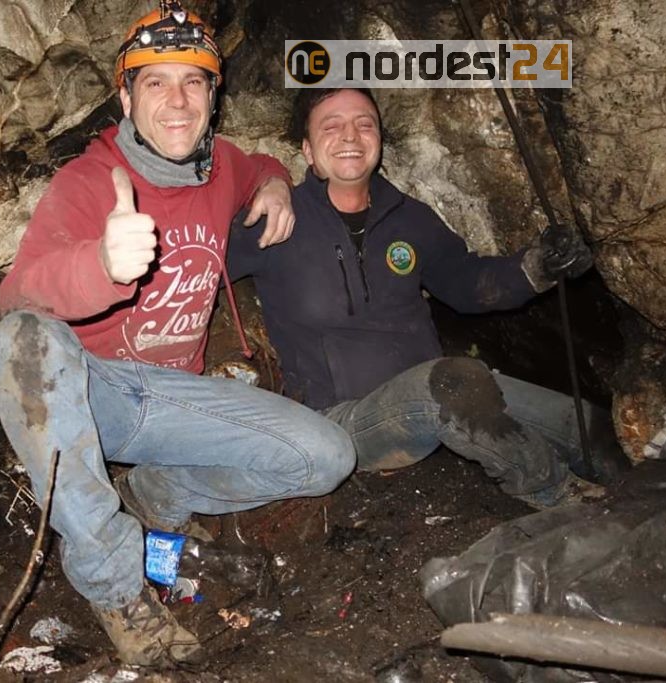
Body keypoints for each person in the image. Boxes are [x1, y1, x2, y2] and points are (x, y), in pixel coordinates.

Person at [0, 4, 356, 667]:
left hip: (172, 399)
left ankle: (157, 494)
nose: (178, 101)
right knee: (21, 339)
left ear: (214, 97)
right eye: (155, 82)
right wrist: (100, 265)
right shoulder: (86, 182)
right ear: (126, 98)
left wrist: (275, 184)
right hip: (95, 393)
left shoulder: (221, 165)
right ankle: (114, 583)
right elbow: (17, 299)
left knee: (328, 456)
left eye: (194, 82)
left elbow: (257, 165)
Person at [228, 87, 629, 508]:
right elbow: (202, 263)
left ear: (379, 141)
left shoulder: (410, 217)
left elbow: (467, 284)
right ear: (308, 150)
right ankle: (564, 497)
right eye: (332, 126)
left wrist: (538, 266)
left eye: (364, 124)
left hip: (440, 398)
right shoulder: (277, 220)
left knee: (587, 426)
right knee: (451, 381)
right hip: (342, 422)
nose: (350, 135)